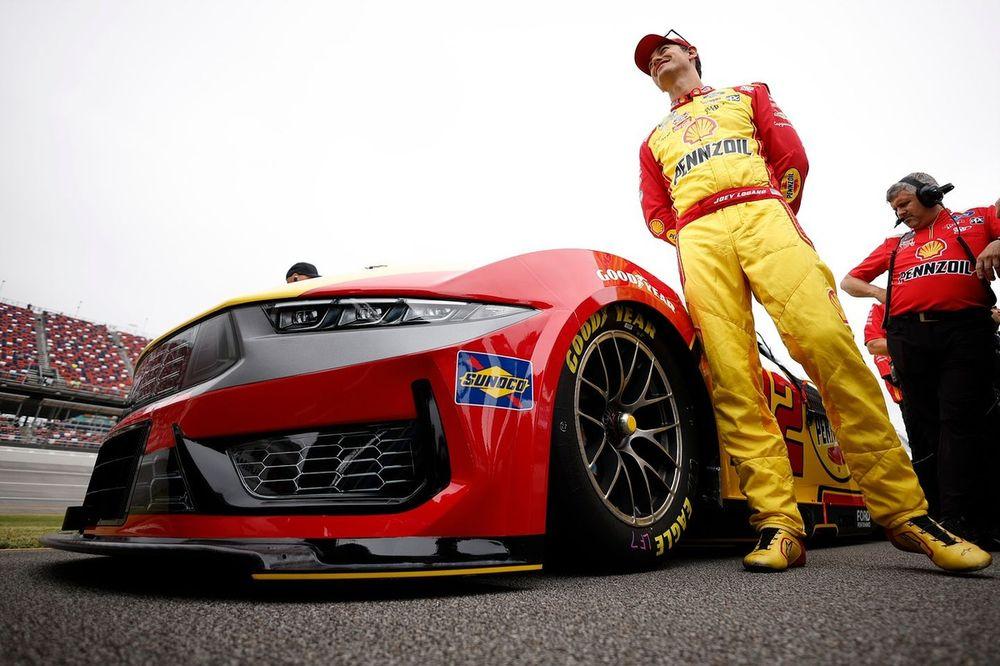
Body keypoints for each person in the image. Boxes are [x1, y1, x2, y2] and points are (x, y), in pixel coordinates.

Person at [634, 31, 990, 572]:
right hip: (699, 236)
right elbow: (656, 211)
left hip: (762, 212)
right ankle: (778, 523)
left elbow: (791, 156)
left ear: (692, 53)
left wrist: (770, 211)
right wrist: (692, 235)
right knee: (730, 374)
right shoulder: (653, 138)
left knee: (828, 344)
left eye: (666, 47)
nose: (657, 57)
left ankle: (906, 514)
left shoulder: (747, 93)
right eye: (648, 59)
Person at [842, 173, 1000, 550]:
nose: (900, 213)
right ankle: (941, 513)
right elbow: (849, 281)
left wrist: (996, 241)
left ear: (929, 195)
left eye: (904, 204)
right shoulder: (896, 243)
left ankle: (962, 519)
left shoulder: (978, 218)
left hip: (964, 330)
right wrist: (881, 292)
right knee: (928, 429)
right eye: (895, 208)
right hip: (909, 337)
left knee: (960, 420)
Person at [863, 302, 938, 515]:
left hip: (949, 387)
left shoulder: (936, 300)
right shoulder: (881, 307)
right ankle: (935, 512)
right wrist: (922, 345)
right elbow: (874, 345)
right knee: (925, 452)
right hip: (910, 394)